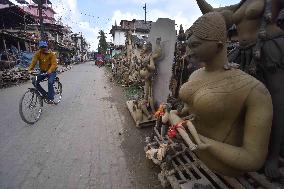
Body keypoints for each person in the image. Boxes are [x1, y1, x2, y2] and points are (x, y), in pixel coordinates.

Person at [170, 12, 273, 176]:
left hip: (221, 167)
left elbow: (254, 158)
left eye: (195, 45)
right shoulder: (196, 75)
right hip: (190, 149)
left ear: (219, 46)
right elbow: (191, 109)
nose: (188, 52)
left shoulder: (254, 90)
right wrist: (177, 114)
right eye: (188, 45)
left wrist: (205, 142)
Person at [195, 0, 284, 179]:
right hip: (243, 54)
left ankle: (274, 155)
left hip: (268, 48)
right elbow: (212, 13)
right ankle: (244, 145)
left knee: (276, 102)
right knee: (244, 101)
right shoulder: (239, 5)